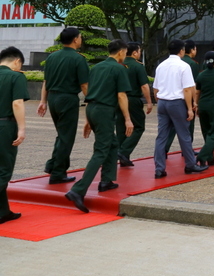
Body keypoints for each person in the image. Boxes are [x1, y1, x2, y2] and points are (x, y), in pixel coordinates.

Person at [64, 40, 133, 213]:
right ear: (121, 52)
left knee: (112, 143)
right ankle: (78, 190)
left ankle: (107, 180)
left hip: (93, 109)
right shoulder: (118, 68)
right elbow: (122, 96)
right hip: (104, 111)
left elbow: (90, 94)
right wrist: (127, 119)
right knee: (102, 150)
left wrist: (88, 119)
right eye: (125, 52)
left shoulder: (96, 68)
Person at [38, 27, 89, 185]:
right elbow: (84, 85)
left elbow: (46, 82)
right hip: (67, 99)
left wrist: (43, 101)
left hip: (53, 98)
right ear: (75, 39)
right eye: (80, 37)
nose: (81, 39)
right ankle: (58, 173)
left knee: (62, 134)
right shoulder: (78, 59)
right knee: (66, 137)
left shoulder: (52, 57)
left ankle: (53, 166)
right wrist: (94, 101)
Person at [152, 39, 208, 178]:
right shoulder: (183, 66)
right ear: (181, 50)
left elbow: (155, 88)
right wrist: (190, 108)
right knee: (184, 135)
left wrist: (159, 100)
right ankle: (190, 164)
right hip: (177, 103)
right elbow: (188, 89)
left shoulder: (161, 66)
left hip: (162, 102)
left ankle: (159, 168)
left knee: (161, 137)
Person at [0, 46, 27, 224]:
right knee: (4, 170)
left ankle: (3, 212)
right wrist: (22, 128)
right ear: (17, 61)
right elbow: (17, 103)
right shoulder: (16, 76)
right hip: (5, 126)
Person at [116, 42, 152, 167]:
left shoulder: (119, 64)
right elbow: (144, 85)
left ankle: (124, 158)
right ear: (135, 52)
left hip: (118, 99)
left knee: (121, 128)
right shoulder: (138, 66)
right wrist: (149, 102)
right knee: (138, 127)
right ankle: (123, 152)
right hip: (132, 99)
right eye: (139, 51)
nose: (140, 53)